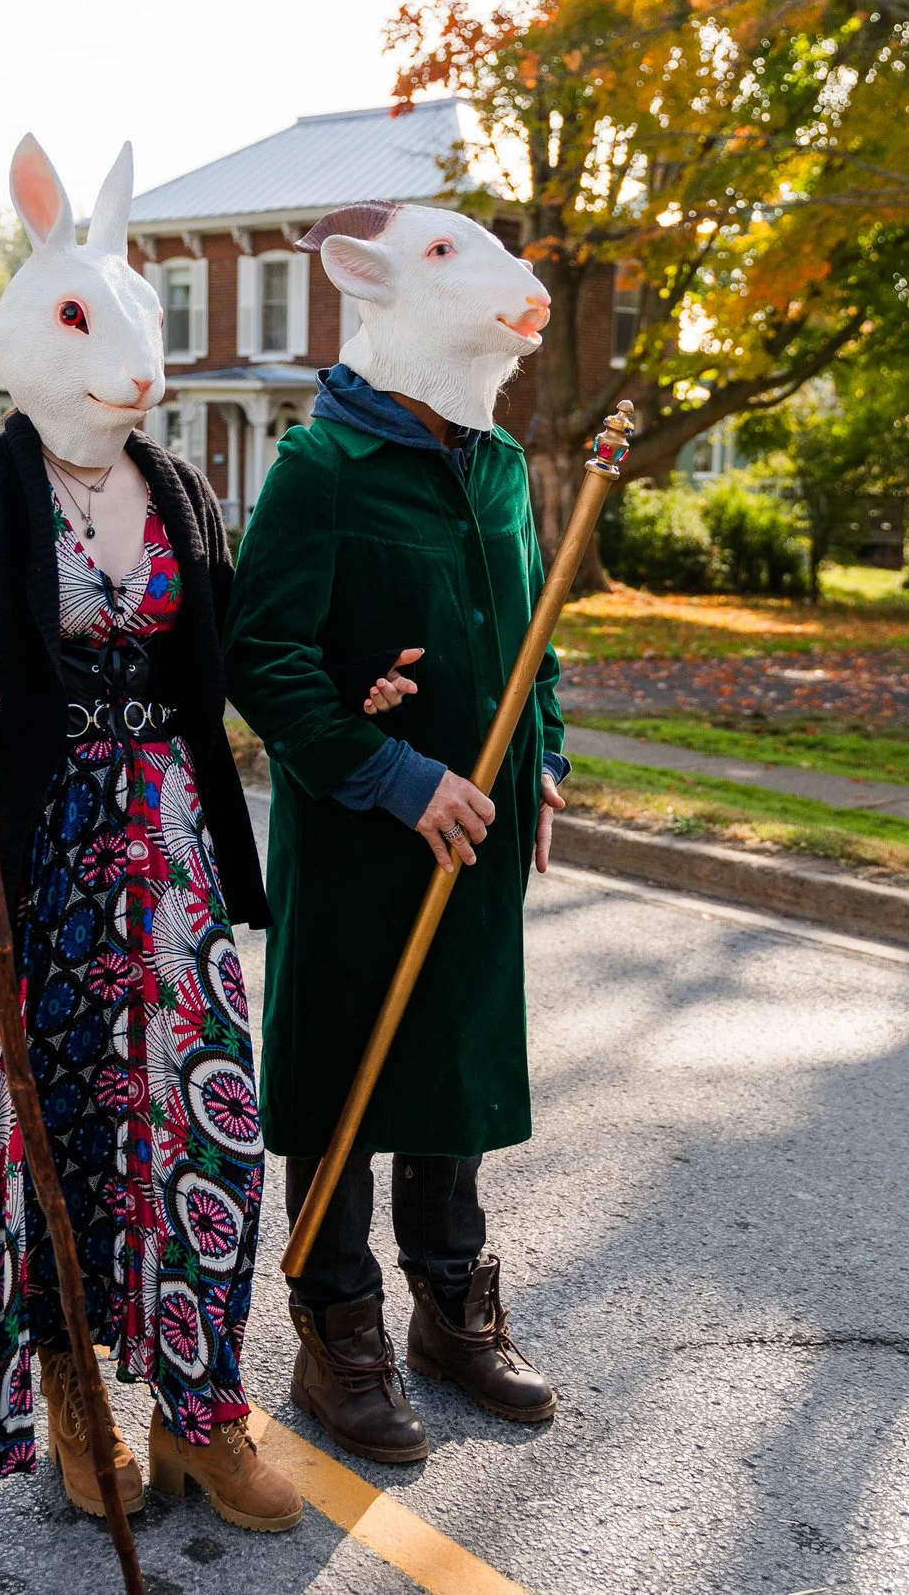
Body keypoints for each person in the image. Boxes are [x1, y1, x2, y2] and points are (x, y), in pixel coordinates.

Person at [0, 134, 312, 1532]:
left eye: (138, 336)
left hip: (177, 853)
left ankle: (203, 1413)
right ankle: (74, 1396)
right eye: (88, 321)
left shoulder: (182, 492)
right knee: (56, 1134)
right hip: (37, 858)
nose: (132, 368)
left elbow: (240, 650)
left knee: (204, 1115)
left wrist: (349, 688)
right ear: (31, 323)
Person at [225, 198, 568, 1466]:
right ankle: (337, 1335)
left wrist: (544, 757)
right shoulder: (319, 469)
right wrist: (388, 773)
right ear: (378, 291)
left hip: (480, 833)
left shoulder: (497, 464)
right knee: (341, 1075)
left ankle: (449, 1317)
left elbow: (533, 634)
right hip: (365, 838)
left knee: (452, 1072)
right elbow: (260, 653)